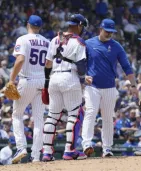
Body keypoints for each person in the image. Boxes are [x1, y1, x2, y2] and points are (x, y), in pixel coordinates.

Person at [82, 18, 137, 157]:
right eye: (107, 31)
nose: (109, 34)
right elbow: (80, 63)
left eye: (112, 32)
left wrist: (134, 85)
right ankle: (86, 144)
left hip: (109, 87)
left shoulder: (117, 46)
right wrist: (82, 77)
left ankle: (107, 148)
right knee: (91, 112)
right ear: (101, 28)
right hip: (92, 86)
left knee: (107, 118)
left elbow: (126, 67)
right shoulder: (88, 44)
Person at [42, 14, 91, 162]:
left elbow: (48, 64)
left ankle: (46, 152)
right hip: (70, 78)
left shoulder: (55, 39)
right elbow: (82, 65)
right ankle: (69, 150)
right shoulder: (79, 42)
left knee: (52, 116)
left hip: (54, 78)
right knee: (74, 115)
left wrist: (46, 83)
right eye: (83, 26)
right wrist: (82, 80)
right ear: (79, 25)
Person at [10, 15, 50, 164]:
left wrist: (11, 80)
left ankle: (21, 147)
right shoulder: (47, 42)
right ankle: (36, 156)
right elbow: (49, 64)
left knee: (17, 115)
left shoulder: (23, 39)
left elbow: (20, 60)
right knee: (39, 119)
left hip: (27, 80)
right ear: (40, 26)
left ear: (28, 24)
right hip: (42, 81)